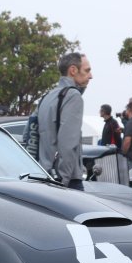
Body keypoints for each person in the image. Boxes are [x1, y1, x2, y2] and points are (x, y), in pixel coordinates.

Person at [38, 52, 92, 190]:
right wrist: (62, 181)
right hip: (66, 181)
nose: (90, 76)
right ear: (73, 70)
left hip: (43, 175)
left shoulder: (46, 97)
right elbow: (68, 144)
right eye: (87, 71)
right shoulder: (73, 96)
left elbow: (31, 136)